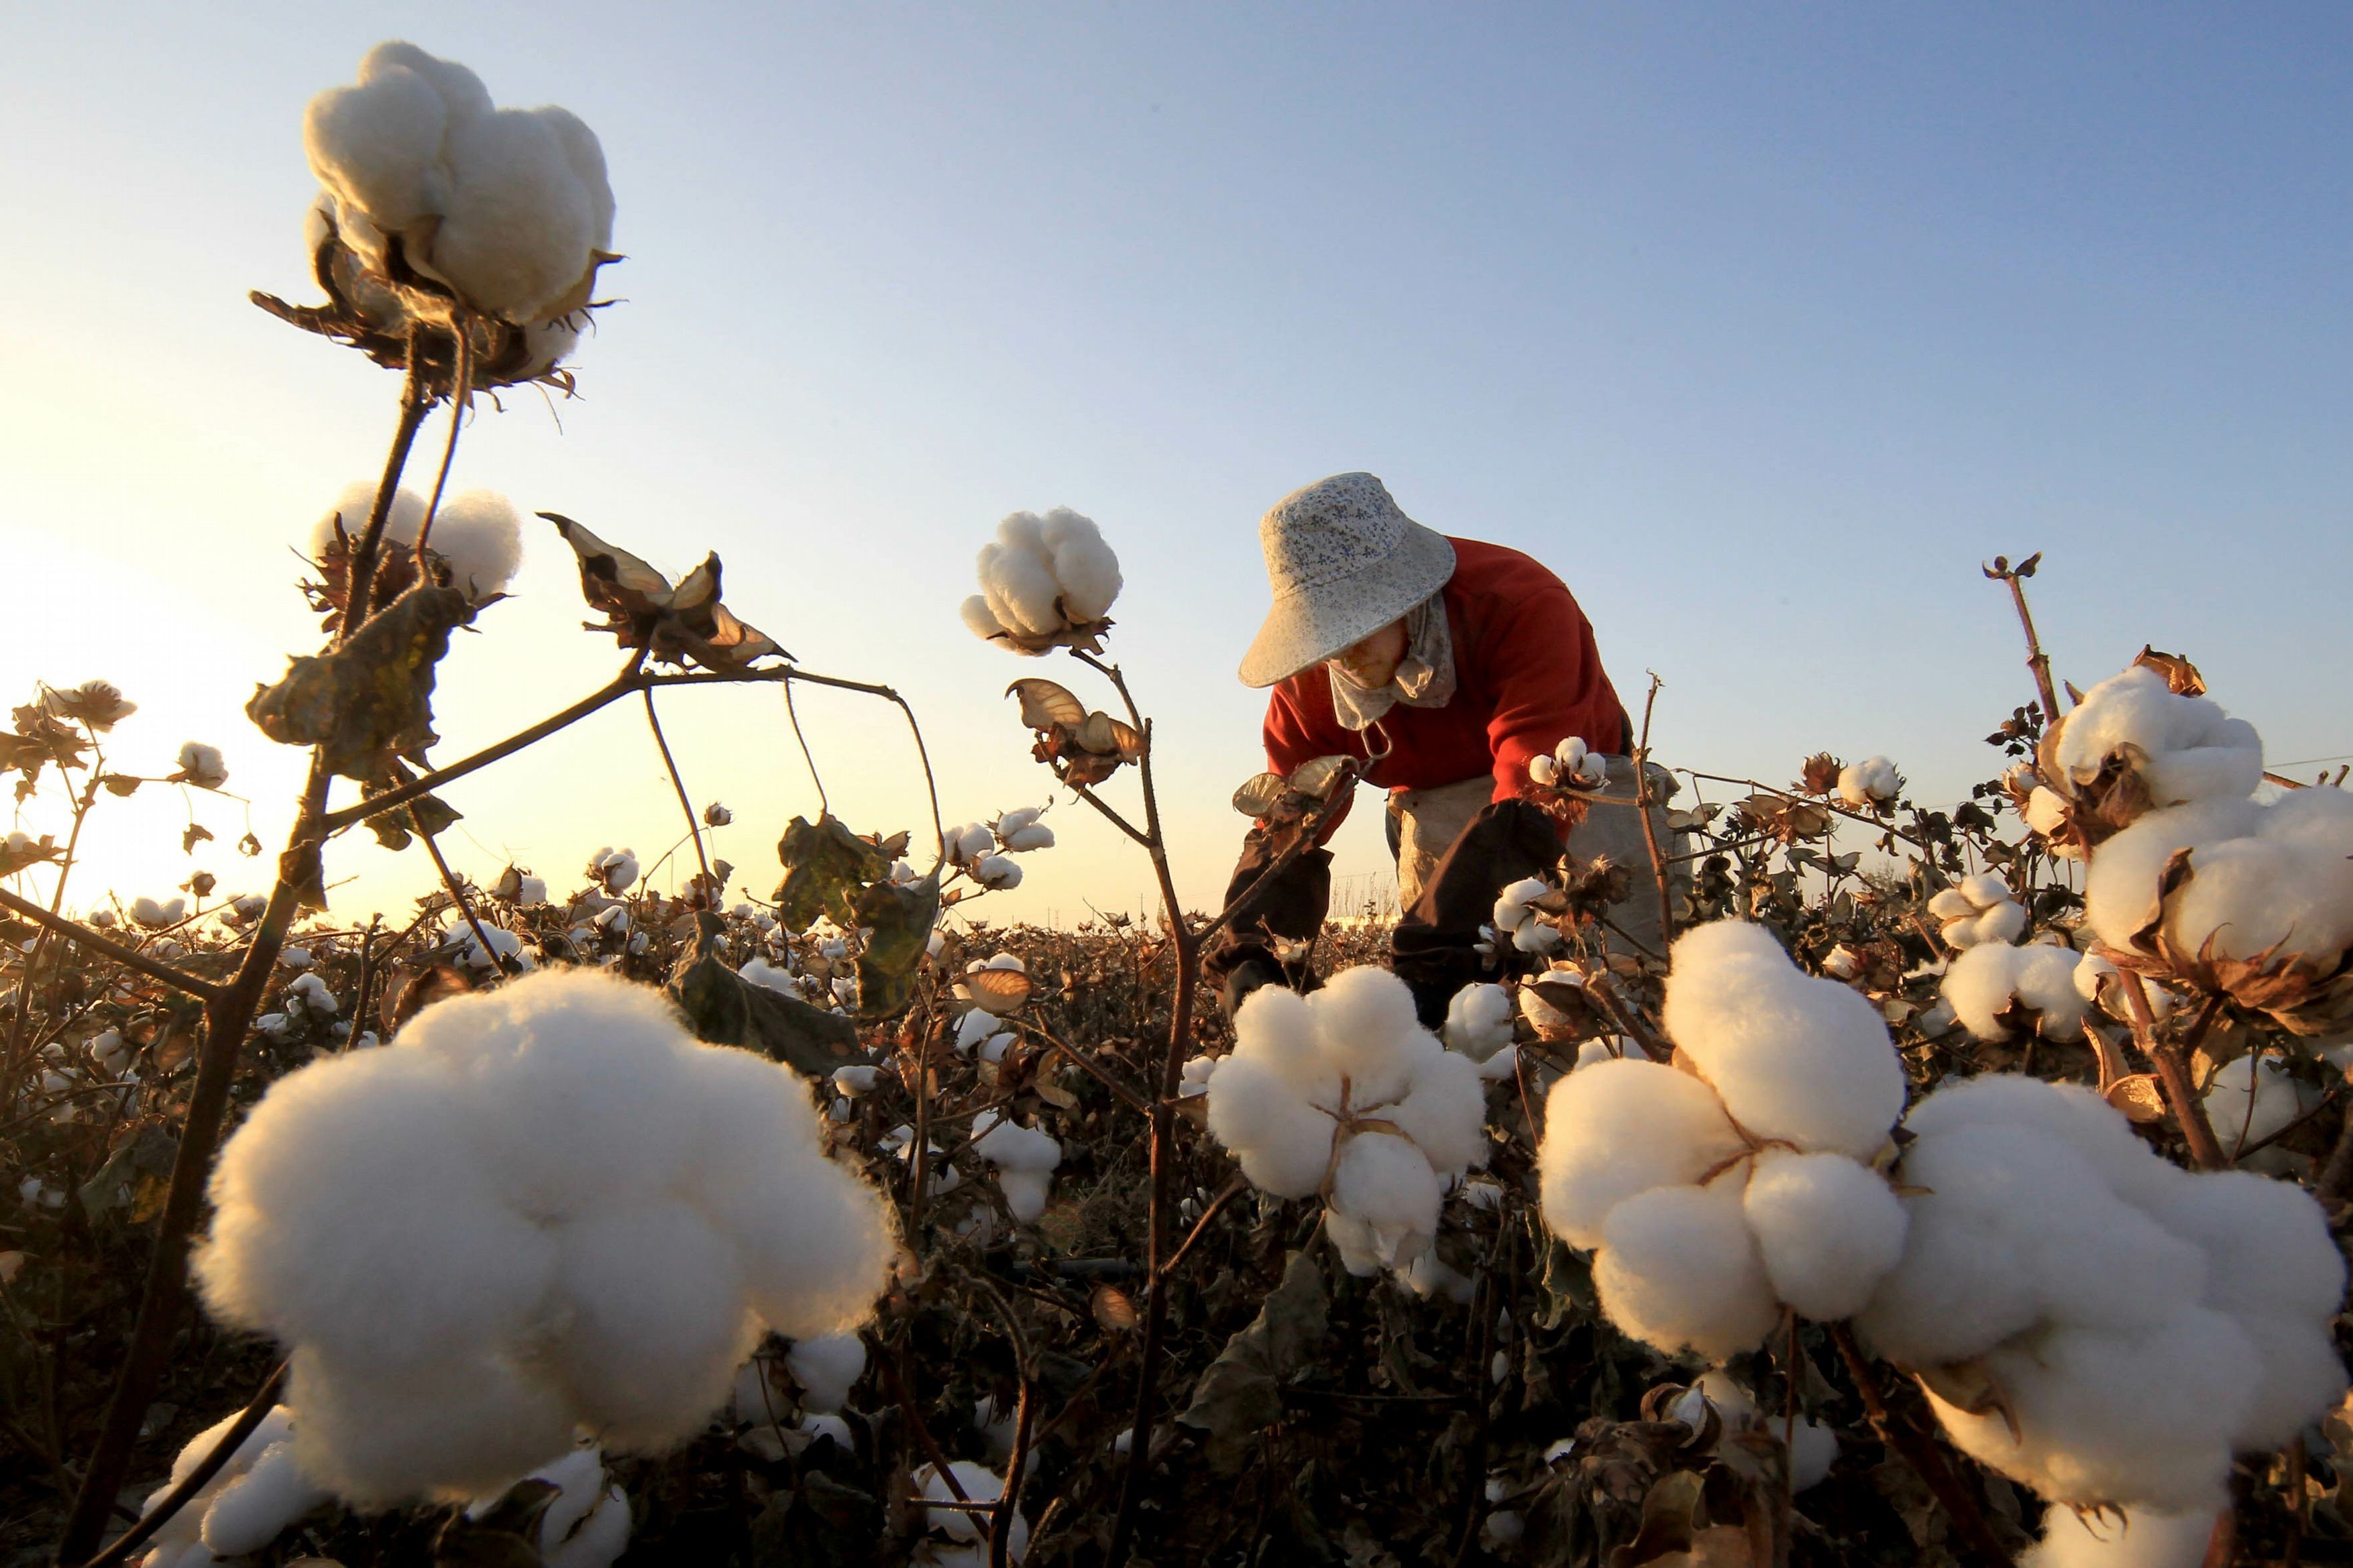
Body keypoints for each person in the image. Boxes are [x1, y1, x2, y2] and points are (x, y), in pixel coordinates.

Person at [1207, 471, 1675, 1026]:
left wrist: (1441, 946)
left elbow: (1535, 777)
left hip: (1576, 799)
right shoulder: (1310, 684)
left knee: (1619, 991)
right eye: (1330, 639)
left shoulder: (1517, 602)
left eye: (1360, 628)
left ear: (1409, 595)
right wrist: (1250, 949)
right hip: (1433, 809)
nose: (1346, 656)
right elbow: (1293, 817)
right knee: (1472, 1029)